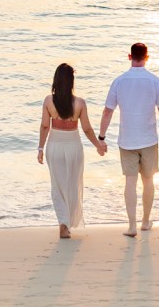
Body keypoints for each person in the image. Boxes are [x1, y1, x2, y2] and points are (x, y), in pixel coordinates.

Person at [98, 41, 159, 236]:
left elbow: (107, 112)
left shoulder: (119, 81)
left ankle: (131, 226)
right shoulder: (155, 81)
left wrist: (101, 137)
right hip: (148, 139)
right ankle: (145, 222)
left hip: (127, 141)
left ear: (130, 57)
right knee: (148, 181)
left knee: (130, 182)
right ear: (147, 57)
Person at [36, 62, 107, 238]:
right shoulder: (80, 103)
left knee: (57, 186)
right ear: (72, 81)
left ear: (56, 80)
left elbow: (45, 126)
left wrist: (40, 148)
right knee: (73, 185)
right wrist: (98, 145)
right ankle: (67, 221)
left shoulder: (48, 101)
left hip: (54, 146)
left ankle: (63, 222)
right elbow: (87, 129)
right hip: (74, 146)